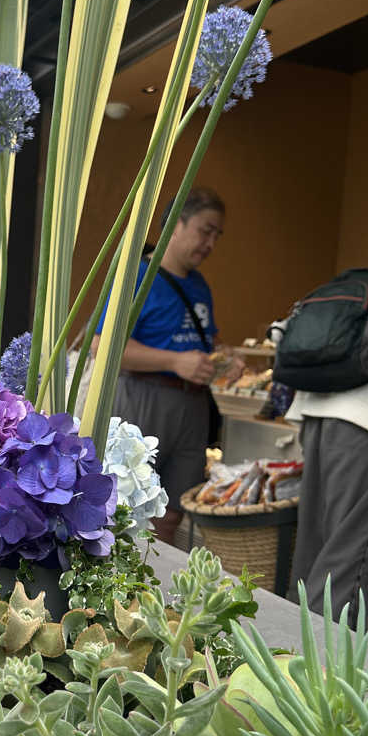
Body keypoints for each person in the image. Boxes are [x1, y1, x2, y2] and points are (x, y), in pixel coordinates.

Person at [93, 187, 243, 545]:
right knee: (126, 505)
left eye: (217, 235)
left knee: (174, 508)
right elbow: (102, 347)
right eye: (205, 230)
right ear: (176, 225)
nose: (211, 243)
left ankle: (155, 590)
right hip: (144, 398)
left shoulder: (199, 284)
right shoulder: (138, 276)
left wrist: (223, 361)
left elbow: (197, 342)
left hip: (193, 407)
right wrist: (175, 361)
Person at [287, 251, 368, 630]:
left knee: (317, 554)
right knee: (349, 565)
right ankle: (325, 680)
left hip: (319, 411)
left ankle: (288, 665)